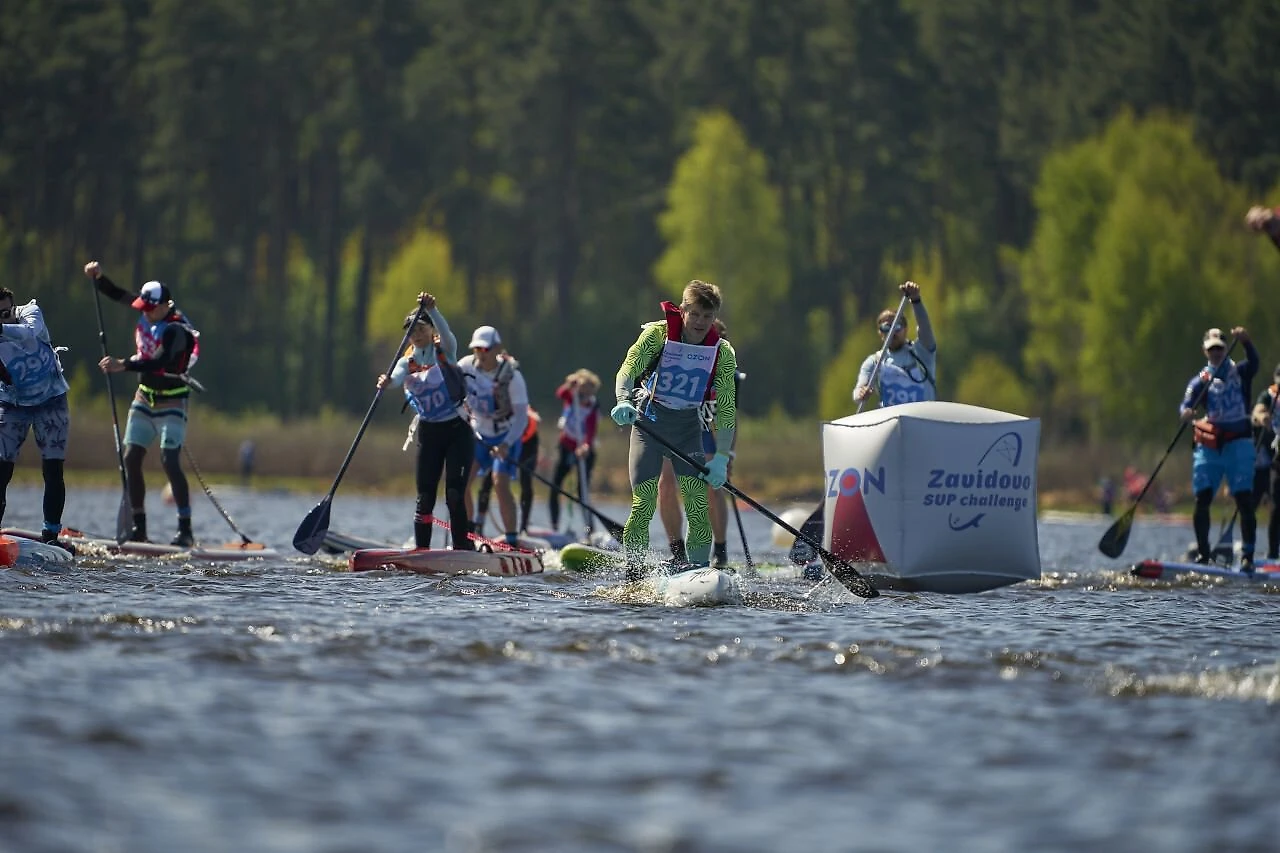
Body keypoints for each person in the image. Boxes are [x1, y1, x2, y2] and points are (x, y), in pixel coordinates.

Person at [611, 280, 738, 578]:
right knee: (644, 504)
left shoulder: (722, 352)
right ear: (682, 311)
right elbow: (628, 368)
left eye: (707, 317)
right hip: (648, 425)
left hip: (687, 430)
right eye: (694, 314)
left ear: (715, 317)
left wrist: (721, 457)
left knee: (696, 505)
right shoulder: (658, 334)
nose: (700, 323)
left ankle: (697, 573)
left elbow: (728, 407)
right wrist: (622, 400)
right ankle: (635, 573)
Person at [85, 261, 201, 546]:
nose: (145, 312)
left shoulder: (176, 330)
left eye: (150, 308)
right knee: (131, 459)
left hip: (173, 402)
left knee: (169, 460)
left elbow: (161, 360)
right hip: (144, 397)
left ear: (165, 306)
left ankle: (184, 530)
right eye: (143, 308)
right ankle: (139, 528)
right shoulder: (148, 309)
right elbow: (119, 295)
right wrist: (99, 277)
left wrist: (122, 365)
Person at [377, 293, 473, 551]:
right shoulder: (405, 362)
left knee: (454, 496)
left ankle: (462, 549)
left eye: (421, 328)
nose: (416, 334)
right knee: (425, 499)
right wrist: (386, 383)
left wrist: (433, 310)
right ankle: (422, 553)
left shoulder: (446, 349)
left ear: (431, 330)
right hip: (429, 434)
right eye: (411, 331)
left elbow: (446, 330)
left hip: (457, 431)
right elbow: (396, 378)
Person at [656, 319, 742, 568]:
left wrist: (727, 456)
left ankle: (721, 552)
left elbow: (729, 418)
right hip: (676, 429)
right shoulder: (681, 362)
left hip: (707, 432)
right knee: (666, 485)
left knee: (714, 487)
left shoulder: (728, 372)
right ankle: (677, 553)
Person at [1181, 326, 1259, 571]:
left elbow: (1255, 363)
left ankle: (1247, 556)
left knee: (1244, 500)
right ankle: (1204, 556)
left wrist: (1246, 342)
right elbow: (1186, 404)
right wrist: (1186, 413)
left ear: (1226, 350)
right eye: (1211, 349)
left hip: (1239, 444)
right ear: (1205, 351)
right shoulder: (1199, 382)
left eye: (1220, 349)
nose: (1216, 353)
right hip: (1211, 446)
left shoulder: (1241, 372)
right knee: (1202, 499)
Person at [0, 288, 72, 550]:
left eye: (6, 313)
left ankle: (51, 536)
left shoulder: (30, 312)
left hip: (50, 401)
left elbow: (29, 333)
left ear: (13, 307)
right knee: (1, 470)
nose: (4, 319)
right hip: (12, 404)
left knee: (52, 469)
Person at [459, 325, 529, 548]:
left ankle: (511, 540)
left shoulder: (512, 376)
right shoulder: (465, 366)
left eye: (485, 350)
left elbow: (521, 417)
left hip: (505, 435)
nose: (481, 354)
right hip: (478, 434)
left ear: (496, 348)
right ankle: (468, 537)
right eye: (477, 349)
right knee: (461, 483)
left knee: (500, 484)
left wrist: (507, 444)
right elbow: (454, 398)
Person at [854, 280, 937, 406]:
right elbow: (858, 391)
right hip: (894, 423)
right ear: (880, 333)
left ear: (906, 329)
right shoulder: (874, 362)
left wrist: (916, 300)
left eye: (897, 327)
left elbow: (925, 328)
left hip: (923, 420)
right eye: (886, 328)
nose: (892, 332)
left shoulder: (922, 352)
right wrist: (861, 393)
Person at [549, 369, 601, 533]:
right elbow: (560, 393)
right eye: (581, 393)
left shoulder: (592, 408)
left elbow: (591, 432)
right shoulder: (571, 397)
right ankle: (555, 527)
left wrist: (585, 446)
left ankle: (589, 529)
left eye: (587, 394)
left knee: (582, 492)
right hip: (566, 447)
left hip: (584, 452)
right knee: (555, 487)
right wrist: (569, 384)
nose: (583, 398)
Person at [476, 403, 540, 535]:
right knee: (488, 481)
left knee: (525, 483)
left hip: (527, 446)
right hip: (505, 444)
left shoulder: (526, 416)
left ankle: (523, 527)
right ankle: (479, 525)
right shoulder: (497, 413)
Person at [1250, 364, 1280, 559]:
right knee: (1276, 508)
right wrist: (1263, 417)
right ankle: (1271, 555)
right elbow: (1257, 413)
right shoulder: (1268, 396)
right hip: (1271, 460)